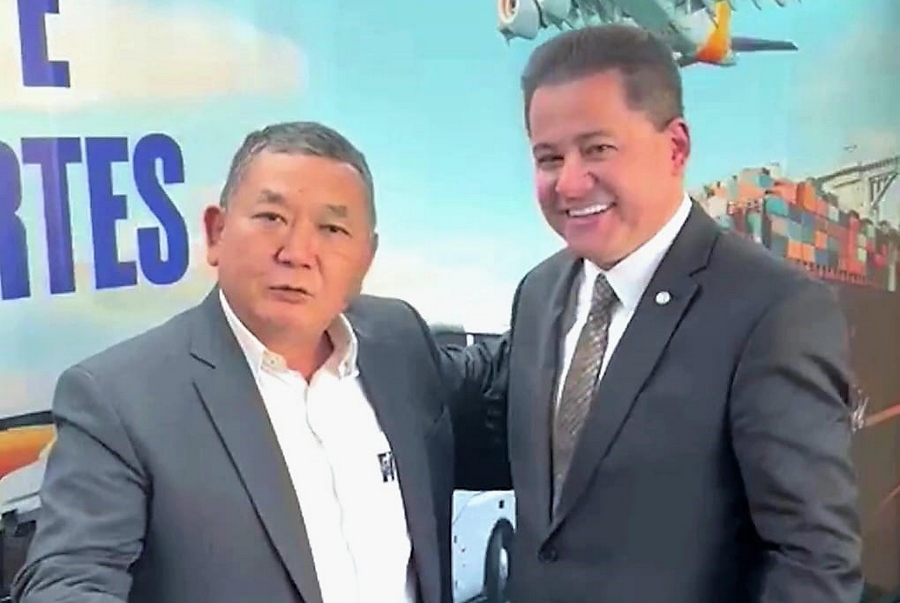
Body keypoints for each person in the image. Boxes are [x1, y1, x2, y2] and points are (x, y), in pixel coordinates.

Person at [447, 24, 863, 603]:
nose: (569, 182)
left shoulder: (772, 310)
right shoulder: (538, 292)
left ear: (676, 148)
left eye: (598, 149)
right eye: (549, 157)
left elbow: (814, 562)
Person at [12, 122, 456, 603]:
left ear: (366, 257)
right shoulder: (120, 400)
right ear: (216, 233)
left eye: (332, 228)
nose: (296, 253)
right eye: (271, 218)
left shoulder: (399, 344)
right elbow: (68, 581)